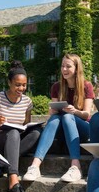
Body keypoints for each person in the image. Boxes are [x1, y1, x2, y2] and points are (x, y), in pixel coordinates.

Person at [23, 53, 95, 183]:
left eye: (68, 66)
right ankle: (35, 166)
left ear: (77, 68)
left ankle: (75, 166)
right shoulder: (56, 87)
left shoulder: (86, 86)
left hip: (82, 128)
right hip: (62, 129)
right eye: (62, 66)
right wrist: (53, 110)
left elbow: (87, 114)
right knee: (55, 118)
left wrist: (75, 111)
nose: (64, 69)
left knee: (67, 117)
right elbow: (53, 113)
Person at [0, 60, 41, 192]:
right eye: (17, 85)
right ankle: (13, 184)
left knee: (36, 133)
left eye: (24, 85)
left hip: (13, 140)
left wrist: (28, 127)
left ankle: (4, 164)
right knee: (14, 132)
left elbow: (25, 124)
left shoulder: (27, 102)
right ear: (9, 83)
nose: (21, 88)